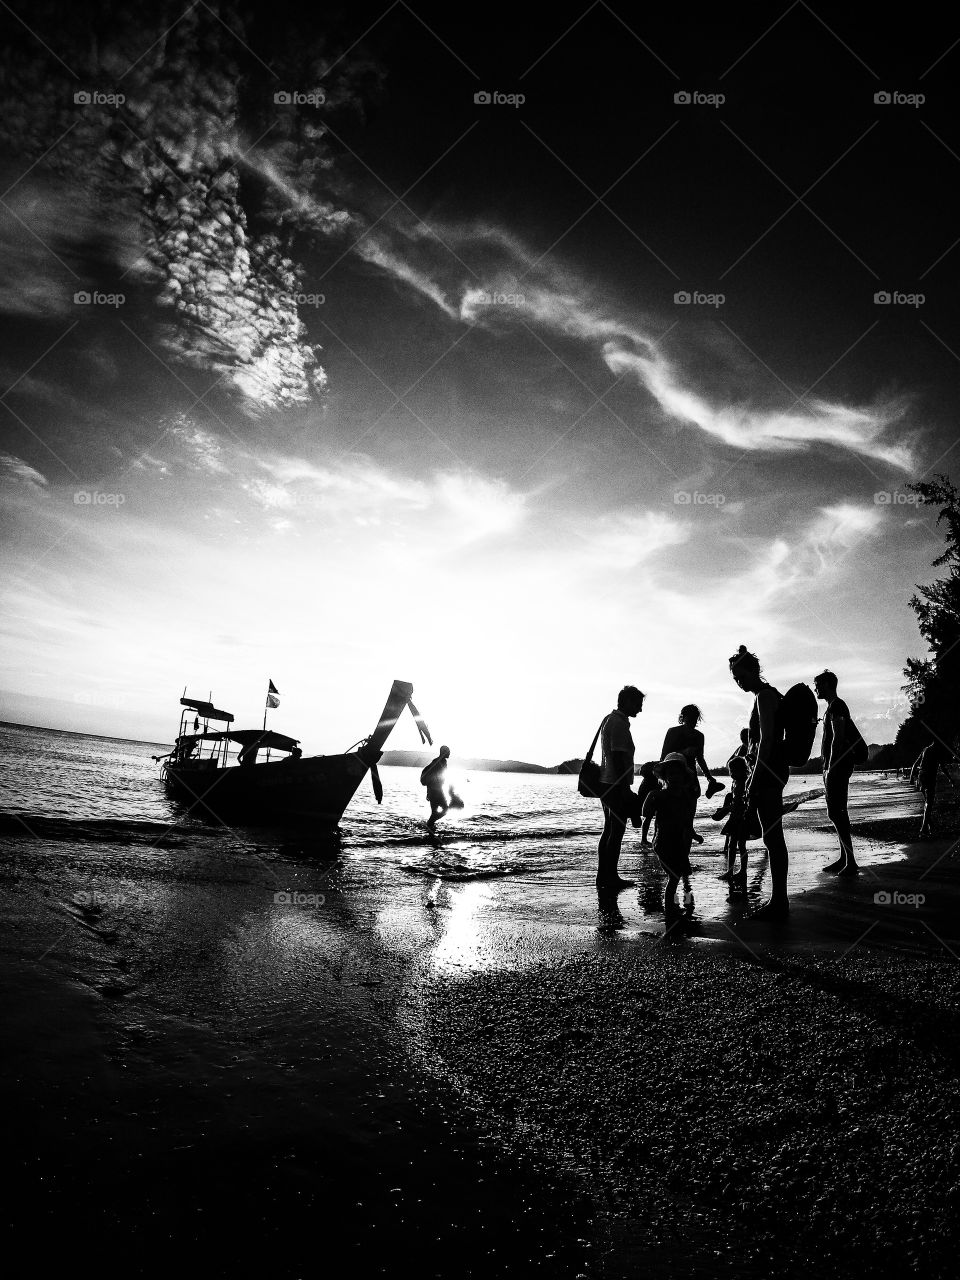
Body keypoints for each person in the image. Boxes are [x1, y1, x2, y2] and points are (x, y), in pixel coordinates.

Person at [729, 644, 790, 920]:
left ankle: (779, 900)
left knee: (773, 836)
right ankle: (779, 898)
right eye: (735, 679)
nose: (738, 682)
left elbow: (765, 741)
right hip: (770, 771)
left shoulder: (765, 697)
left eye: (740, 676)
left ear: (754, 670)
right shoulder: (766, 695)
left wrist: (754, 780)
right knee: (771, 835)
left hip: (768, 773)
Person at [596, 685, 645, 890]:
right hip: (615, 786)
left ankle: (604, 876)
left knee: (609, 830)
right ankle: (610, 877)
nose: (640, 709)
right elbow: (617, 757)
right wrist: (625, 788)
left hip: (607, 784)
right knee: (616, 832)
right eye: (638, 704)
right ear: (627, 702)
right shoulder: (618, 723)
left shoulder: (610, 719)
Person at [814, 669, 862, 875]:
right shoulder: (830, 708)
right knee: (837, 812)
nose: (815, 688)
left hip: (838, 766)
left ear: (827, 685)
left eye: (818, 684)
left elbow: (838, 738)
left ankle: (850, 861)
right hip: (833, 766)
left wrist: (831, 768)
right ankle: (844, 858)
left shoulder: (837, 706)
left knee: (837, 812)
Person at [643, 752, 697, 916]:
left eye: (678, 773)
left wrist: (694, 834)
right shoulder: (659, 794)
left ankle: (685, 906)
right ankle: (671, 909)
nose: (675, 777)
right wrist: (650, 798)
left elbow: (687, 819)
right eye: (671, 773)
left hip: (679, 842)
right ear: (665, 777)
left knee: (680, 875)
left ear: (684, 776)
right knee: (673, 877)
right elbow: (646, 813)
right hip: (663, 842)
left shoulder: (686, 796)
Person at [712, 754, 751, 888]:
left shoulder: (744, 782)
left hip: (741, 818)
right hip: (735, 817)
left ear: (743, 770)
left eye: (735, 771)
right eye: (731, 772)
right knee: (733, 845)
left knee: (740, 845)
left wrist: (726, 809)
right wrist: (725, 807)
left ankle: (739, 871)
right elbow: (733, 799)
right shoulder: (736, 782)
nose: (732, 774)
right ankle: (732, 871)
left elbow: (741, 802)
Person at [913, 741, 953, 838]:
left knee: (927, 803)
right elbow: (942, 767)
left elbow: (915, 764)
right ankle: (923, 829)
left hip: (921, 777)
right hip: (929, 778)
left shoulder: (925, 749)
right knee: (929, 803)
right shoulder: (937, 751)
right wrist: (950, 778)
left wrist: (912, 779)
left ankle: (929, 826)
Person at [421, 746, 451, 828]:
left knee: (439, 811)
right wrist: (429, 792)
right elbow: (430, 777)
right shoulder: (438, 762)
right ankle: (430, 825)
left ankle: (430, 825)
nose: (450, 753)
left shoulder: (442, 761)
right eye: (448, 752)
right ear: (444, 752)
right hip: (435, 791)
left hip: (437, 790)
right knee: (444, 810)